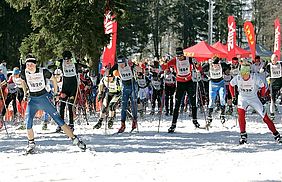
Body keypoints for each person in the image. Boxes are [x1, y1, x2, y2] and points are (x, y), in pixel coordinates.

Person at [20, 54, 86, 153]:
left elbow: (54, 79)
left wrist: (55, 93)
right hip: (33, 100)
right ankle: (31, 143)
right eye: (27, 64)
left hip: (44, 99)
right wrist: (25, 93)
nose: (29, 66)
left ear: (35, 64)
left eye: (31, 64)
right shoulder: (24, 73)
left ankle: (75, 140)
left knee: (59, 120)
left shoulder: (43, 71)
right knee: (28, 122)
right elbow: (22, 82)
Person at [229, 61, 281, 144]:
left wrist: (262, 96)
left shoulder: (254, 78)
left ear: (248, 72)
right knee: (241, 114)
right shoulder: (238, 78)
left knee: (265, 117)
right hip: (243, 98)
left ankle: (276, 135)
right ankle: (243, 135)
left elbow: (263, 86)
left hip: (254, 98)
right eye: (242, 73)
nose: (243, 76)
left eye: (245, 74)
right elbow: (231, 85)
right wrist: (233, 97)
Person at [165, 47, 200, 133]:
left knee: (193, 101)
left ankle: (195, 120)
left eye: (181, 55)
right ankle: (173, 124)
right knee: (177, 104)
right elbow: (164, 67)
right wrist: (165, 66)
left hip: (189, 82)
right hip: (180, 84)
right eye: (178, 56)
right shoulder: (174, 60)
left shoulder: (189, 59)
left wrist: (197, 64)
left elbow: (199, 68)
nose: (179, 57)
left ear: (183, 54)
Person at [110, 55, 141, 133]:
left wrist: (133, 65)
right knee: (123, 106)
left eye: (123, 64)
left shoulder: (129, 64)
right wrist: (108, 70)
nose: (121, 66)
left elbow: (140, 70)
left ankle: (134, 121)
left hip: (132, 84)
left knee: (133, 104)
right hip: (124, 85)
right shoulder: (117, 65)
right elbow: (109, 72)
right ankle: (122, 124)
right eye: (120, 64)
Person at [202, 57, 230, 124]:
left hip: (221, 83)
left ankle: (222, 115)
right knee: (211, 100)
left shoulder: (222, 64)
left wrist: (228, 71)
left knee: (222, 99)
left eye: (217, 64)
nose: (215, 66)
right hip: (212, 84)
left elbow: (228, 67)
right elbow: (201, 69)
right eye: (214, 64)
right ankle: (209, 116)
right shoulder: (209, 65)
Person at [56, 50, 79, 132]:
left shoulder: (74, 62)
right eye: (65, 60)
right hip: (65, 87)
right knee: (62, 105)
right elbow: (56, 64)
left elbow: (77, 62)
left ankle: (71, 124)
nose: (67, 61)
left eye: (69, 59)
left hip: (73, 87)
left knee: (70, 105)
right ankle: (61, 125)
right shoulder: (61, 62)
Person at [266, 54, 282, 119]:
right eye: (273, 60)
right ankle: (272, 114)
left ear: (277, 59)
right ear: (271, 60)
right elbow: (261, 71)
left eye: (275, 59)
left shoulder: (281, 64)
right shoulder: (269, 65)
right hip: (273, 83)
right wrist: (264, 66)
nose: (274, 61)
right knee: (272, 100)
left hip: (280, 81)